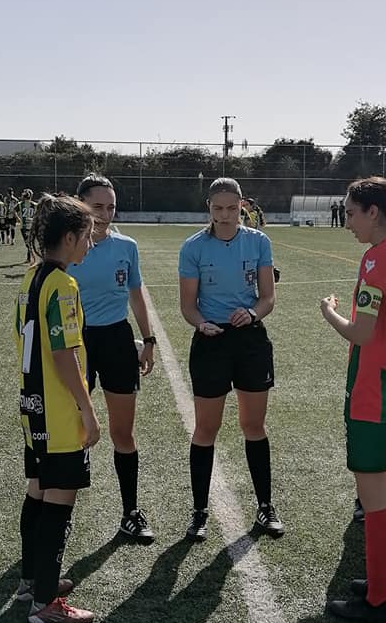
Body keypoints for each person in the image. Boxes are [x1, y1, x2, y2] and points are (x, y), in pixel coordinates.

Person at [319, 177, 386, 623]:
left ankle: (377, 599)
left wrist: (330, 313)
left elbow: (362, 331)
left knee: (374, 496)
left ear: (373, 213)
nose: (347, 220)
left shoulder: (376, 258)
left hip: (373, 389)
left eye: (351, 211)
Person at [178, 177, 283, 542]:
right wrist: (202, 323)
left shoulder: (258, 242)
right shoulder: (193, 247)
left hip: (250, 341)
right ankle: (200, 512)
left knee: (254, 426)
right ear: (208, 208)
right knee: (206, 429)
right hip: (211, 342)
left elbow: (267, 297)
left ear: (243, 206)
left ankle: (266, 507)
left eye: (231, 208)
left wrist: (253, 314)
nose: (224, 215)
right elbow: (188, 306)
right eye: (217, 208)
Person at [14, 192, 101, 623]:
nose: (91, 243)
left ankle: (32, 579)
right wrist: (87, 409)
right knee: (59, 500)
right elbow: (64, 352)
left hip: (33, 409)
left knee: (38, 490)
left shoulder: (33, 278)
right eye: (87, 235)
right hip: (58, 412)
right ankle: (45, 602)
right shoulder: (64, 285)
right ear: (68, 238)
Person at [69, 174, 157, 544]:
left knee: (123, 432)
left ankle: (130, 513)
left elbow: (136, 294)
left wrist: (148, 338)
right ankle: (62, 515)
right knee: (72, 434)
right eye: (96, 207)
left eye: (110, 207)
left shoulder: (127, 246)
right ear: (80, 206)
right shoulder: (66, 248)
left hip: (118, 340)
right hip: (76, 345)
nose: (104, 214)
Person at [20, 189, 37, 264]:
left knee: (28, 243)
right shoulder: (35, 205)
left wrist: (18, 218)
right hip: (31, 226)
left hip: (24, 227)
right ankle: (30, 258)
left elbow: (13, 210)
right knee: (29, 243)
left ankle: (32, 258)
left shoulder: (20, 204)